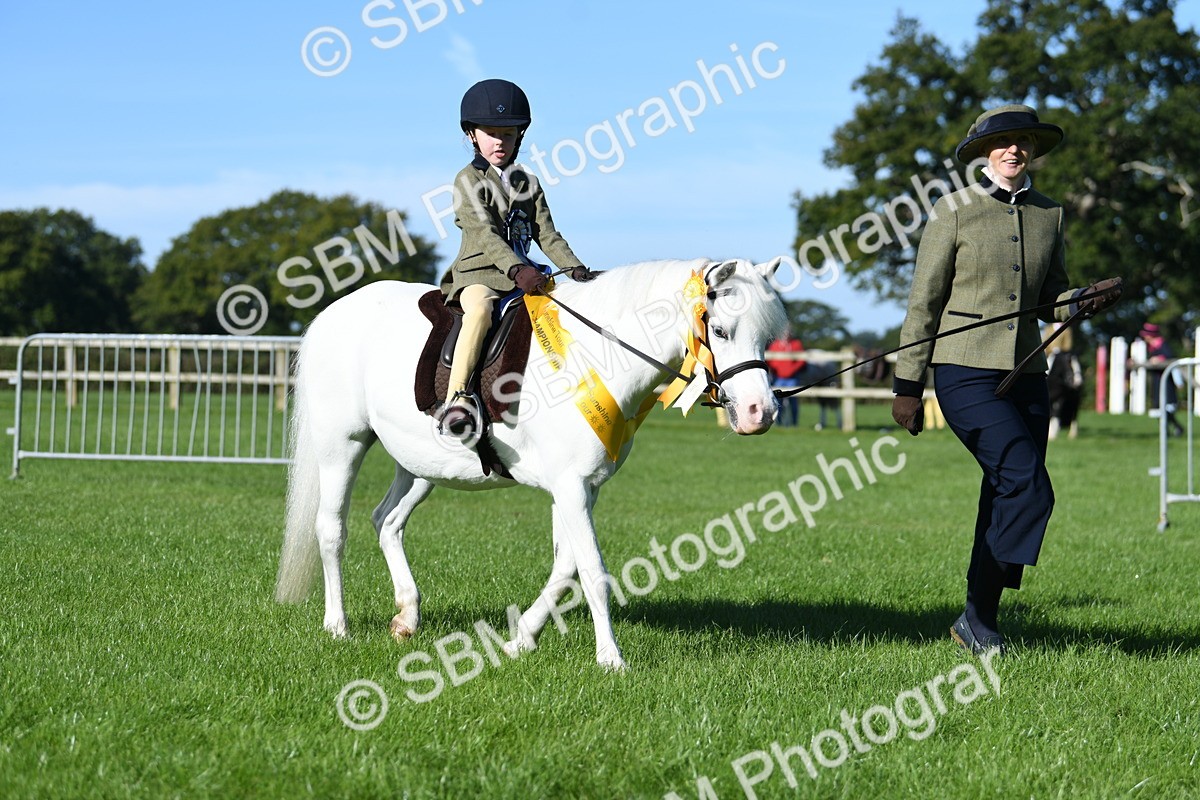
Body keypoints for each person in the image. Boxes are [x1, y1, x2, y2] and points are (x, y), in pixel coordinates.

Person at [889, 105, 1123, 656]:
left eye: (1023, 141)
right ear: (985, 152)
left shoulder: (1049, 214)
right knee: (1026, 483)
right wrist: (907, 386)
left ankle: (979, 620)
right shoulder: (953, 210)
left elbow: (1050, 299)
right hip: (964, 372)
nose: (1014, 149)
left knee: (1003, 491)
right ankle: (982, 610)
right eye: (1003, 141)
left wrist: (1081, 300)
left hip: (1028, 375)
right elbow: (924, 302)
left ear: (1033, 150)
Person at [437, 79, 595, 439]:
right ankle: (456, 400)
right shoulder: (467, 180)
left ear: (519, 136)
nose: (499, 142)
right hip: (480, 276)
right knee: (480, 312)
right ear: (472, 135)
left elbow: (547, 234)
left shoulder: (529, 182)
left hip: (526, 277)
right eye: (491, 134)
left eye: (507, 135)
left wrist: (575, 268)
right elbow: (486, 235)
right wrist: (516, 268)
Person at [1138, 322, 1184, 437]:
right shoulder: (1151, 347)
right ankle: (1165, 432)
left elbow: (1169, 358)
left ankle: (1175, 428)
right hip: (1156, 381)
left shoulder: (1163, 344)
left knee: (1166, 407)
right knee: (1158, 407)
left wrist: (1159, 359)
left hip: (1166, 382)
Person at [1045, 323, 1083, 440]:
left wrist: (1061, 351)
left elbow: (1068, 345)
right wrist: (1051, 351)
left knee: (1073, 367)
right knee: (1046, 369)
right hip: (1051, 355)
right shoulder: (1048, 329)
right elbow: (1045, 343)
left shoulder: (1067, 330)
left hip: (1063, 356)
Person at [767, 330, 806, 426]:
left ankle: (794, 423)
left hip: (792, 378)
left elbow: (801, 360)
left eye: (787, 332)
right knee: (778, 401)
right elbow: (770, 360)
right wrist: (777, 369)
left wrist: (792, 369)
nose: (785, 334)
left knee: (793, 400)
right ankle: (779, 422)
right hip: (778, 378)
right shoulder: (775, 345)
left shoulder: (796, 344)